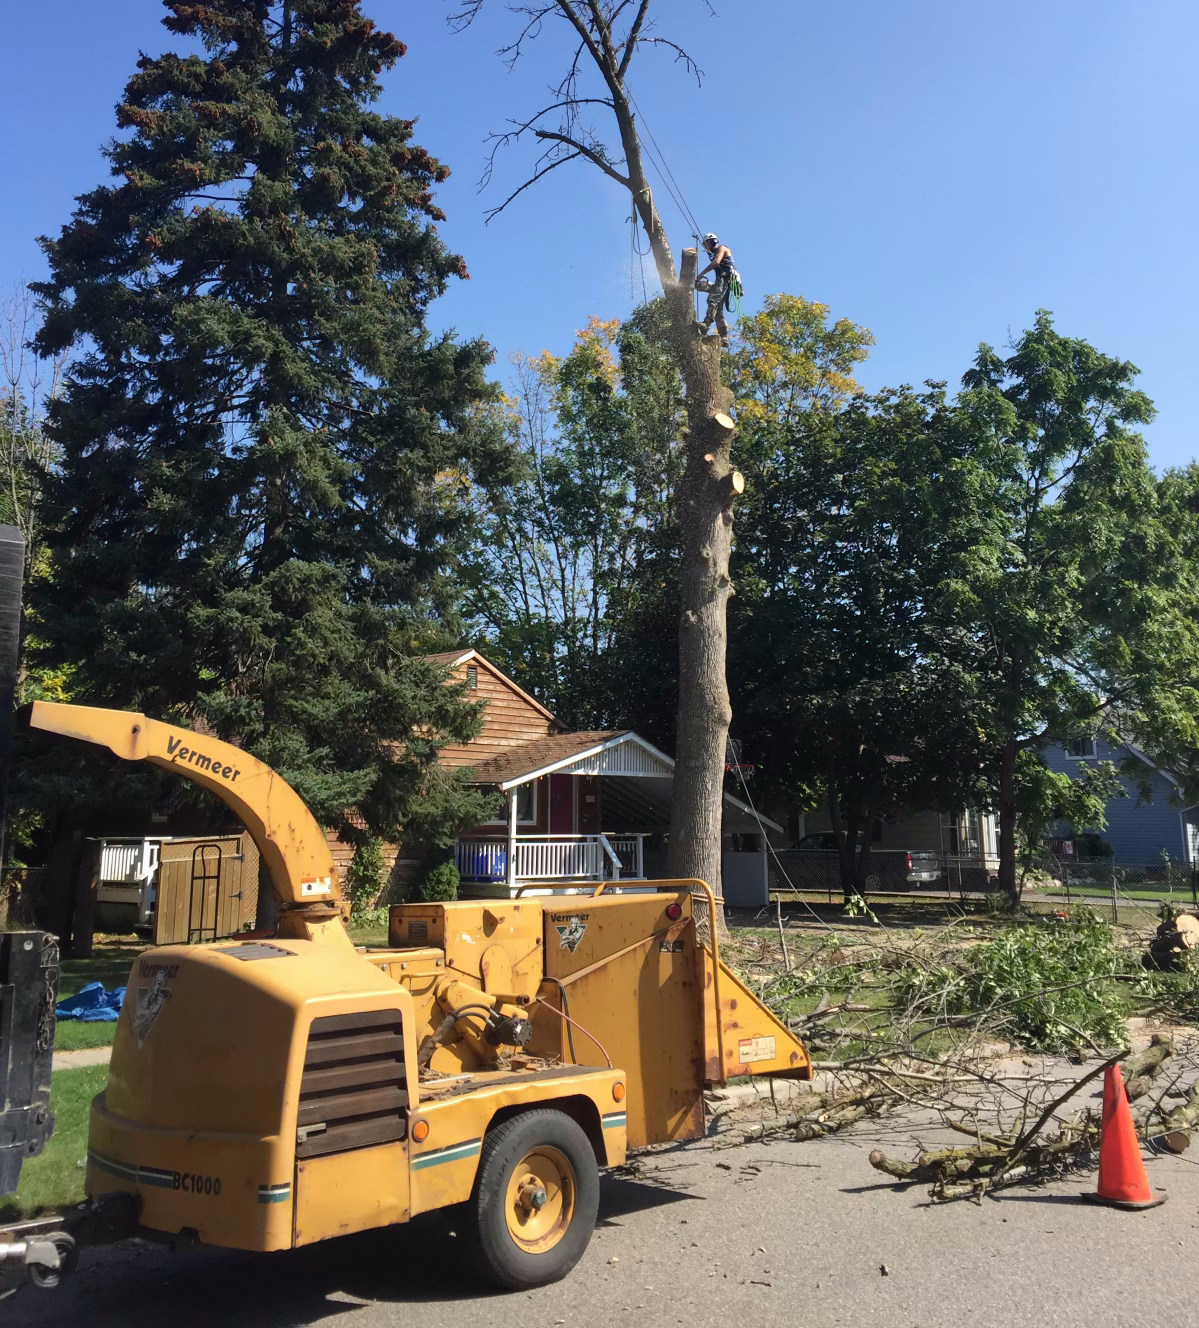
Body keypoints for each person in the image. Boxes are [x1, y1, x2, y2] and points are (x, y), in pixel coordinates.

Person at [695, 233, 737, 345]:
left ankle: (706, 324)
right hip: (723, 281)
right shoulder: (716, 252)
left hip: (725, 279)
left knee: (712, 299)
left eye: (707, 244)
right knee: (718, 310)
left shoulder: (722, 248)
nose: (707, 247)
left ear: (713, 242)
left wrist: (701, 274)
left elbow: (716, 262)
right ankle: (724, 337)